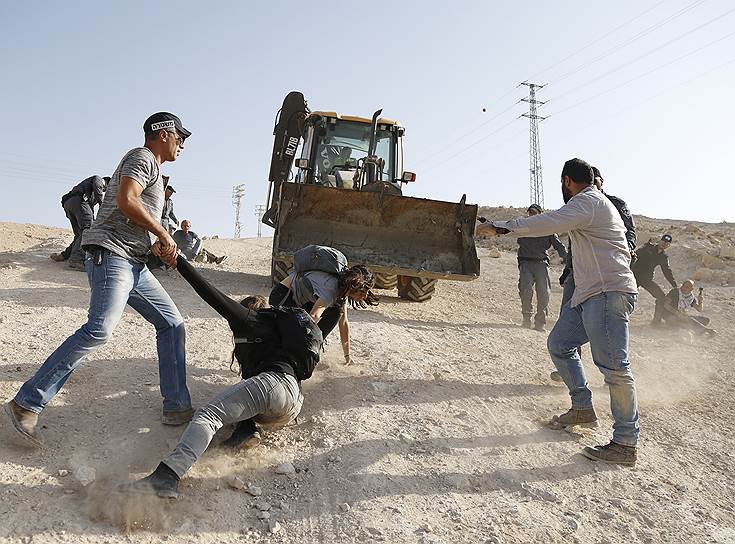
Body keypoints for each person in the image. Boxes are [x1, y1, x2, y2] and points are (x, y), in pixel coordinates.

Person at [5, 112, 194, 448]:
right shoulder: (143, 157)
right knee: (98, 330)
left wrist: (160, 246)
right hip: (113, 257)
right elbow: (126, 200)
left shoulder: (156, 171)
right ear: (164, 134)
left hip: (134, 263)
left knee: (172, 324)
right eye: (181, 137)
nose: (182, 145)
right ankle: (26, 404)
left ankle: (177, 407)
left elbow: (132, 217)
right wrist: (163, 230)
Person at [479, 158, 639, 466]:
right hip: (590, 294)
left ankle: (625, 442)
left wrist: (501, 227)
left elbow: (546, 222)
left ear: (567, 181)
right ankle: (582, 407)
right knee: (560, 344)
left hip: (607, 293)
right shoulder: (591, 203)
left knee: (615, 369)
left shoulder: (588, 202)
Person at [123, 253, 322, 499]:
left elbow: (209, 292)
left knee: (209, 415)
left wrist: (179, 262)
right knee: (243, 394)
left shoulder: (250, 319)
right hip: (292, 403)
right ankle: (246, 430)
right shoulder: (280, 331)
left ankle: (167, 476)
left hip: (274, 385)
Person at [224, 247, 379, 451]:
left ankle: (292, 364)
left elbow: (343, 322)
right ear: (356, 286)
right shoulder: (331, 290)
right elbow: (313, 318)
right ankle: (252, 417)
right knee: (288, 339)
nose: (366, 295)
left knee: (330, 317)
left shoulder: (340, 293)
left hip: (301, 299)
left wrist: (347, 355)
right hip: (283, 296)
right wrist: (305, 347)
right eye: (365, 290)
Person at [551, 165, 636, 381]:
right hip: (579, 275)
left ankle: (614, 378)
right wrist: (567, 270)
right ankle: (571, 369)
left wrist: (628, 248)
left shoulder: (613, 204)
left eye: (596, 180)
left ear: (601, 181)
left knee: (612, 354)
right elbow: (576, 242)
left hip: (607, 278)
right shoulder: (578, 204)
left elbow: (628, 232)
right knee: (564, 332)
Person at [516, 203, 568, 332]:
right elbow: (507, 231)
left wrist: (568, 260)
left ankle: (540, 323)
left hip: (541, 263)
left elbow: (559, 246)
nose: (531, 215)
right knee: (525, 290)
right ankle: (526, 319)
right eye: (530, 213)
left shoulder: (547, 229)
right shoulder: (523, 227)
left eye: (534, 213)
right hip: (526, 263)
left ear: (539, 214)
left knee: (544, 293)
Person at [50, 175, 110, 270]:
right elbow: (97, 187)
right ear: (107, 183)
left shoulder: (90, 191)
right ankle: (76, 260)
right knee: (87, 231)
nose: (104, 191)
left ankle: (65, 255)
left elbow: (89, 210)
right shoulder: (98, 180)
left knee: (79, 234)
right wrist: (104, 206)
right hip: (79, 202)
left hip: (70, 204)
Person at [631, 234, 677, 324]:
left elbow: (667, 271)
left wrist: (674, 285)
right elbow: (633, 257)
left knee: (661, 298)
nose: (664, 243)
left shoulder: (663, 257)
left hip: (647, 280)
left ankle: (656, 322)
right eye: (663, 241)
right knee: (626, 296)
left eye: (667, 243)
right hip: (634, 277)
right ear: (660, 241)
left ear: (668, 246)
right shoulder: (647, 248)